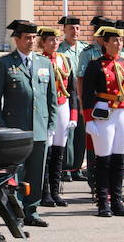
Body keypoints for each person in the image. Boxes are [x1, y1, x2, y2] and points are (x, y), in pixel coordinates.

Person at [0, 20, 56, 227]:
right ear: (16, 39)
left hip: (39, 128)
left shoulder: (44, 63)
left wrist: (51, 126)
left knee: (36, 172)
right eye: (27, 37)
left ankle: (31, 211)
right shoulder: (5, 63)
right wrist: (1, 128)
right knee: (15, 173)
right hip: (15, 130)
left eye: (34, 37)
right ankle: (15, 212)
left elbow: (51, 98)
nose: (31, 41)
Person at [82, 26, 124, 218]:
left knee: (119, 159)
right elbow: (87, 94)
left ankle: (117, 200)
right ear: (105, 43)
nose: (118, 44)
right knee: (103, 159)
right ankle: (102, 202)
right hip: (104, 111)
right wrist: (88, 119)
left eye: (120, 40)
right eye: (114, 40)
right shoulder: (95, 65)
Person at [76, 16, 117, 202]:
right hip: (97, 106)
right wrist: (86, 107)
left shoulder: (119, 52)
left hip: (117, 107)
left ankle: (112, 186)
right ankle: (95, 182)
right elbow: (82, 80)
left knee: (115, 149)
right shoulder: (88, 53)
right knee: (96, 147)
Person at [37, 27, 77, 208]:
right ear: (43, 43)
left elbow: (73, 90)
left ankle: (55, 191)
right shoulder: (39, 61)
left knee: (59, 151)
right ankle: (44, 192)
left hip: (63, 105)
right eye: (50, 40)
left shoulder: (64, 60)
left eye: (56, 40)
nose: (54, 43)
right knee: (47, 150)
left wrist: (74, 114)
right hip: (46, 108)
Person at [57, 16, 88, 181]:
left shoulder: (84, 48)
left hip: (82, 92)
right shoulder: (60, 50)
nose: (75, 32)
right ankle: (65, 168)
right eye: (71, 28)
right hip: (67, 92)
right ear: (65, 31)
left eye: (77, 28)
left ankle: (77, 167)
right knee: (68, 131)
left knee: (81, 132)